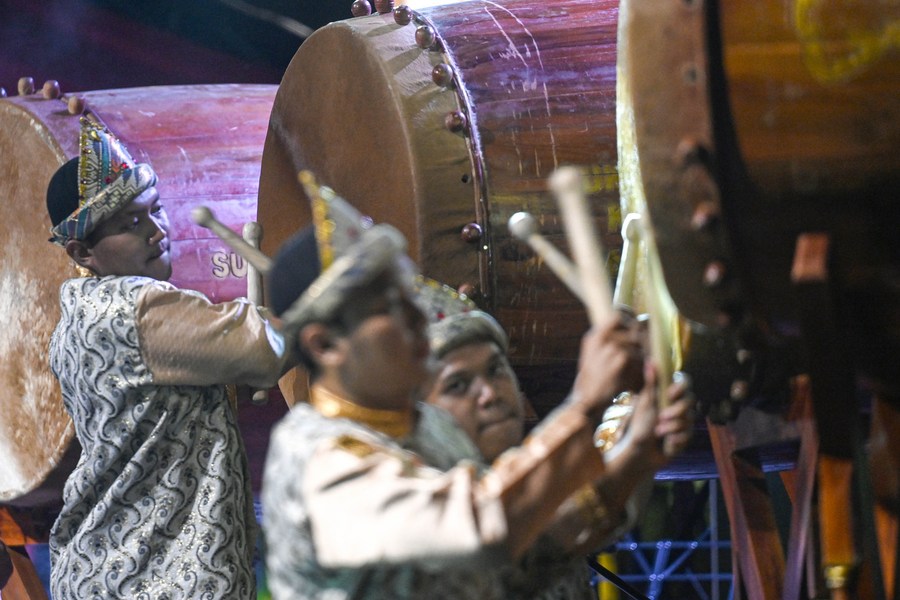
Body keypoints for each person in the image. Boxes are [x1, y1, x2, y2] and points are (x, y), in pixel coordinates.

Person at [260, 173, 672, 599]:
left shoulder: (429, 427)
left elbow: (510, 571)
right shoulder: (319, 460)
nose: (418, 319)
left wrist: (636, 455)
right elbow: (481, 528)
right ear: (325, 345)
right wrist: (584, 403)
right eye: (390, 308)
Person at [45, 117, 292, 599]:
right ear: (82, 251)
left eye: (155, 210)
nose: (157, 231)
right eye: (130, 225)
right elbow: (263, 349)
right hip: (157, 576)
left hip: (100, 568)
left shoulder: (72, 319)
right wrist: (328, 291)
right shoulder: (137, 308)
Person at [420, 303, 695, 598]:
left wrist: (644, 406)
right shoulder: (422, 511)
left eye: (496, 369)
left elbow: (591, 505)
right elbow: (528, 539)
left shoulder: (542, 484)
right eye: (457, 385)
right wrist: (585, 405)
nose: (490, 394)